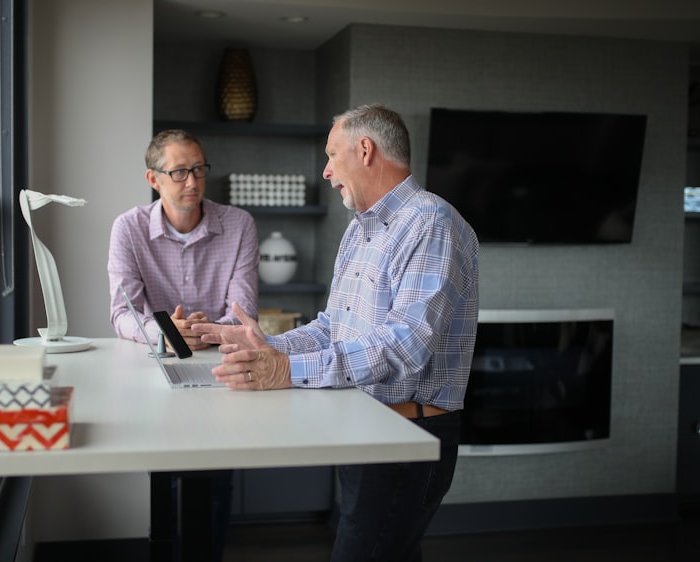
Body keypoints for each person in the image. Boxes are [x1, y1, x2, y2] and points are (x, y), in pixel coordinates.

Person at [192, 104, 479, 562]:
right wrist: (266, 346)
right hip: (366, 422)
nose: (325, 172)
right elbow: (332, 328)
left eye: (331, 155)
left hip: (406, 432)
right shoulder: (358, 230)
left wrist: (284, 370)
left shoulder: (430, 223)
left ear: (365, 150)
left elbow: (405, 345)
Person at [107, 128, 259, 562]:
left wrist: (198, 331)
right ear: (153, 179)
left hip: (219, 371)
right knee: (165, 480)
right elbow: (123, 313)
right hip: (155, 373)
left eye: (198, 169)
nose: (191, 182)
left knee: (215, 484)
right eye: (178, 172)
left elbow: (244, 311)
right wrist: (167, 335)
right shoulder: (129, 228)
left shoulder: (240, 224)